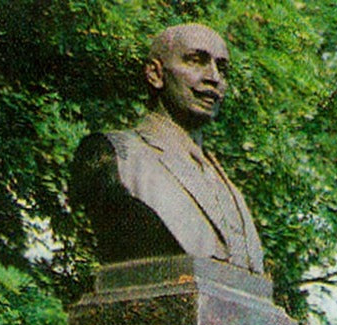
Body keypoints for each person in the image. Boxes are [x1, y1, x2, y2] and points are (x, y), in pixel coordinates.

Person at [71, 23, 265, 273]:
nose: (214, 78)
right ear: (155, 74)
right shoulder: (117, 155)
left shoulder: (229, 188)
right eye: (196, 61)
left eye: (221, 69)